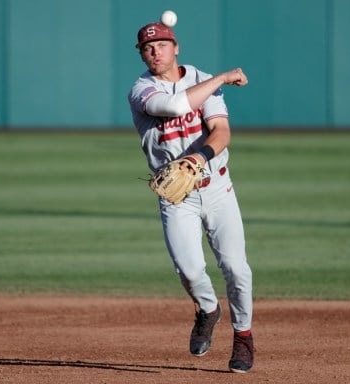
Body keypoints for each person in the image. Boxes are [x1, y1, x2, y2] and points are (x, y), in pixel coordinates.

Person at [127, 19, 255, 374]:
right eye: (147, 48)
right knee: (189, 269)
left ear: (176, 47)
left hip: (216, 188)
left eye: (162, 45)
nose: (155, 52)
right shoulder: (141, 89)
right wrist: (221, 78)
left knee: (235, 268)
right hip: (175, 196)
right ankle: (208, 309)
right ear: (142, 55)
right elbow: (174, 107)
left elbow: (221, 131)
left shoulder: (201, 79)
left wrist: (200, 158)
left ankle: (243, 337)